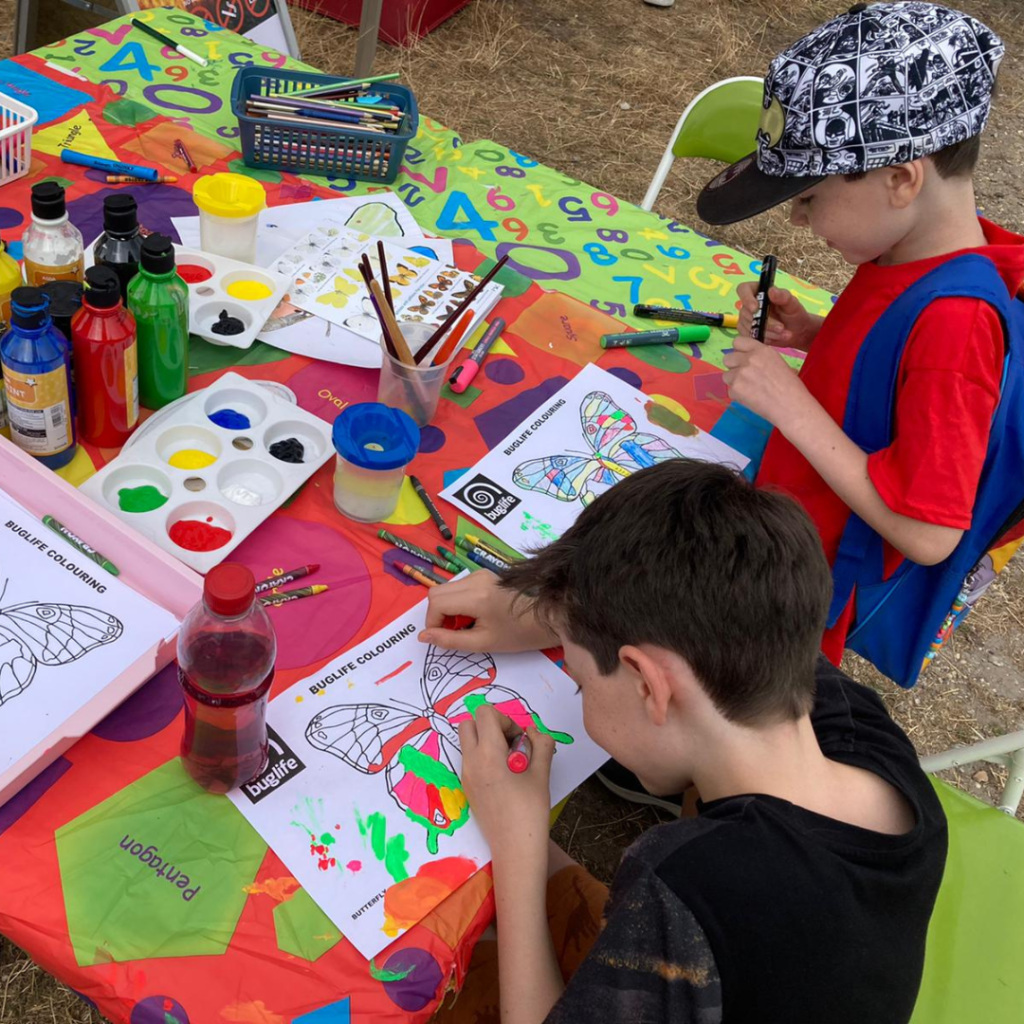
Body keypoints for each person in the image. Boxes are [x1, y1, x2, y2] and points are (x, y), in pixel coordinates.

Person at [425, 460, 947, 1024]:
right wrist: (553, 617)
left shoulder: (687, 885)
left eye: (578, 681)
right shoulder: (866, 737)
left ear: (649, 684)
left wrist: (519, 840)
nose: (577, 691)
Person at [694, 2, 1022, 665]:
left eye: (809, 196)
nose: (796, 220)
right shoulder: (909, 251)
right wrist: (816, 334)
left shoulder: (958, 323)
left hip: (798, 593)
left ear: (901, 179)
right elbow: (896, 368)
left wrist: (792, 406)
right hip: (784, 528)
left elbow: (929, 532)